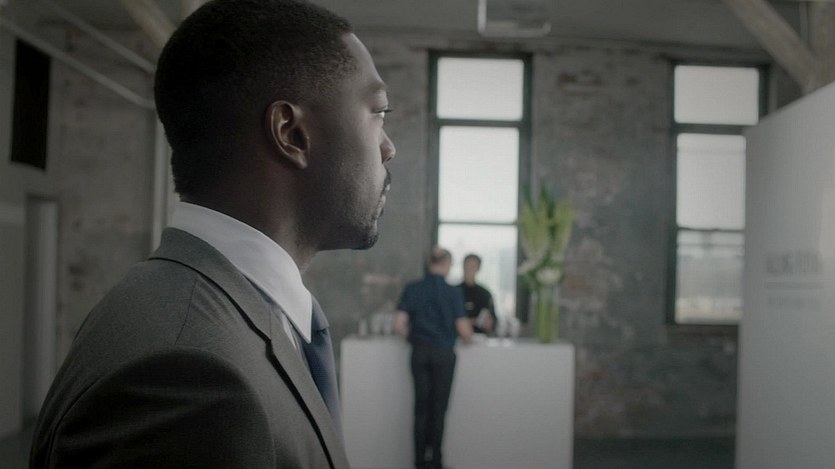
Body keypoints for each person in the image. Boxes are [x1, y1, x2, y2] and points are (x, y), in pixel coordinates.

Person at [29, 1, 395, 467]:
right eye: (378, 112)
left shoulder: (192, 311)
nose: (388, 147)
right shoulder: (190, 376)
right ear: (291, 133)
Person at [393, 246, 473, 469]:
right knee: (439, 409)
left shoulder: (413, 288)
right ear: (447, 264)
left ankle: (419, 462)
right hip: (443, 354)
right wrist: (470, 337)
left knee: (420, 409)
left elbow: (398, 325)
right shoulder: (453, 292)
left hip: (419, 352)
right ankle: (435, 461)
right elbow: (464, 331)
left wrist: (413, 338)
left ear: (429, 263)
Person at [459, 253, 498, 335]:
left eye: (473, 266)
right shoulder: (454, 292)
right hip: (457, 337)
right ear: (463, 266)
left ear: (478, 268)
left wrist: (490, 323)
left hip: (480, 337)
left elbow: (494, 321)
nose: (469, 269)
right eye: (467, 266)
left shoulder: (485, 294)